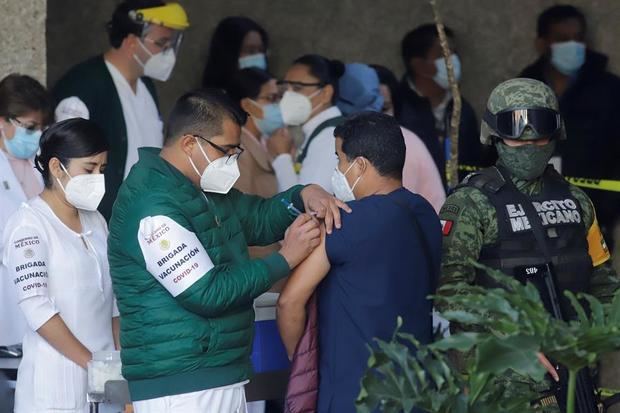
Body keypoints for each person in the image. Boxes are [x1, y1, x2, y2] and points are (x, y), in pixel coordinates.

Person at [107, 89, 348, 412]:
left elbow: (258, 218)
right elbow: (207, 292)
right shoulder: (152, 205)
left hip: (217, 372)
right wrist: (285, 258)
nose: (233, 160)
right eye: (227, 151)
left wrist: (303, 195)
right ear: (190, 144)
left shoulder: (198, 187)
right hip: (181, 384)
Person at [437, 78, 619, 409]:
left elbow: (604, 285)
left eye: (539, 131)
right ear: (493, 135)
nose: (529, 141)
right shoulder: (471, 204)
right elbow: (448, 292)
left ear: (557, 132)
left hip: (573, 381)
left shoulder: (577, 201)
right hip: (500, 388)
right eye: (515, 131)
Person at [277, 112, 442, 413]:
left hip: (353, 392)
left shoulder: (344, 221)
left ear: (361, 165)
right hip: (416, 390)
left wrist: (301, 361)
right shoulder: (426, 214)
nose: (338, 169)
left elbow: (289, 302)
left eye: (340, 159)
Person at [2, 118, 119, 413]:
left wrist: (117, 361)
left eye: (102, 170)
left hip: (106, 383)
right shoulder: (28, 225)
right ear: (57, 167)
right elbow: (37, 308)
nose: (97, 179)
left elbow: (113, 300)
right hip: (55, 388)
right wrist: (91, 363)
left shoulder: (96, 221)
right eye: (89, 169)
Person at [53, 0, 189, 220]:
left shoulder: (147, 87)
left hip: (144, 219)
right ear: (132, 43)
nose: (168, 53)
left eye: (170, 45)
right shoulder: (83, 86)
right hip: (100, 223)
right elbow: (66, 166)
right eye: (161, 43)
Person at [519, 4, 620, 250]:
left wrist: (605, 212)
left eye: (578, 39)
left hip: (591, 221)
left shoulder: (609, 90)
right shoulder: (522, 90)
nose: (573, 46)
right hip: (529, 223)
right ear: (543, 44)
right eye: (563, 39)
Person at [336, 62, 445, 212]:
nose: (374, 114)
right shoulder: (343, 139)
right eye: (366, 105)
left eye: (383, 108)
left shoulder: (405, 143)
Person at [398, 24, 492, 184]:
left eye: (455, 53)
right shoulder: (396, 107)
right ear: (419, 65)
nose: (454, 61)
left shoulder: (462, 109)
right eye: (445, 54)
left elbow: (473, 164)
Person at [0, 74, 53, 353]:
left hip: (45, 295)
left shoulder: (42, 163)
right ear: (3, 121)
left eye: (41, 127)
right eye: (30, 128)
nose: (36, 135)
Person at [268, 55, 345, 193]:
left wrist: (282, 157)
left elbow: (306, 204)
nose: (287, 96)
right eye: (285, 89)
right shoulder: (318, 131)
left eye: (297, 88)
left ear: (326, 93)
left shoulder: (330, 136)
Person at [227, 68, 284, 198]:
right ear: (247, 105)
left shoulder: (272, 141)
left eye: (279, 98)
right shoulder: (236, 150)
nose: (278, 105)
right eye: (272, 98)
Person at [202, 16, 270, 91]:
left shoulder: (271, 95)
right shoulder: (208, 99)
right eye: (251, 51)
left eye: (261, 51)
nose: (259, 57)